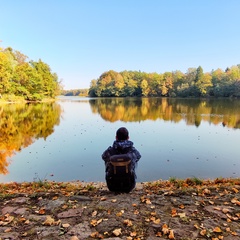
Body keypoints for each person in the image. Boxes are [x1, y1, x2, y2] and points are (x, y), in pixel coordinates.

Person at [102, 127, 141, 193]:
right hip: (129, 186)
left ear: (116, 137)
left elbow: (103, 157)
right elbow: (138, 157)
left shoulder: (109, 151)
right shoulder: (132, 151)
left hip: (112, 186)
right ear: (128, 137)